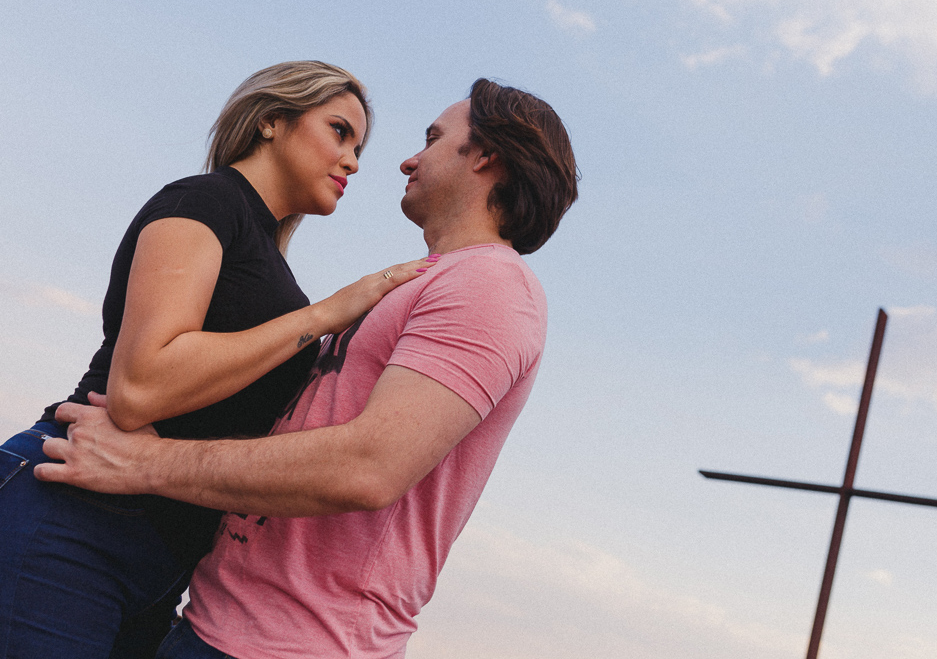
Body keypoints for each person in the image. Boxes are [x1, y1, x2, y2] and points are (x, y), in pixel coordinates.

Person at [38, 78, 579, 658]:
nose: (408, 159)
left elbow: (368, 467)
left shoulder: (491, 284)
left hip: (302, 643)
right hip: (212, 623)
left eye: (433, 138)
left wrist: (144, 463)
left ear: (486, 156)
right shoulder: (416, 283)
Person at [0, 61, 434, 658]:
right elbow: (141, 385)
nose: (353, 162)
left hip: (163, 563)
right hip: (69, 515)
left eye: (357, 146)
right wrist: (324, 316)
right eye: (339, 132)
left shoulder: (271, 266)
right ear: (270, 122)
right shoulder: (204, 201)